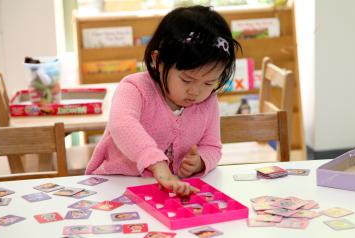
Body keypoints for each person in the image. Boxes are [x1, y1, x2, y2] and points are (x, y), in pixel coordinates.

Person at [85, 5, 240, 196]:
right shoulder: (135, 88)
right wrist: (157, 164)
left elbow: (212, 146)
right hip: (114, 185)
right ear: (158, 61)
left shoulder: (208, 102)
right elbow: (122, 125)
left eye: (208, 82)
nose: (196, 91)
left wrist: (200, 161)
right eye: (187, 80)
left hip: (168, 192)